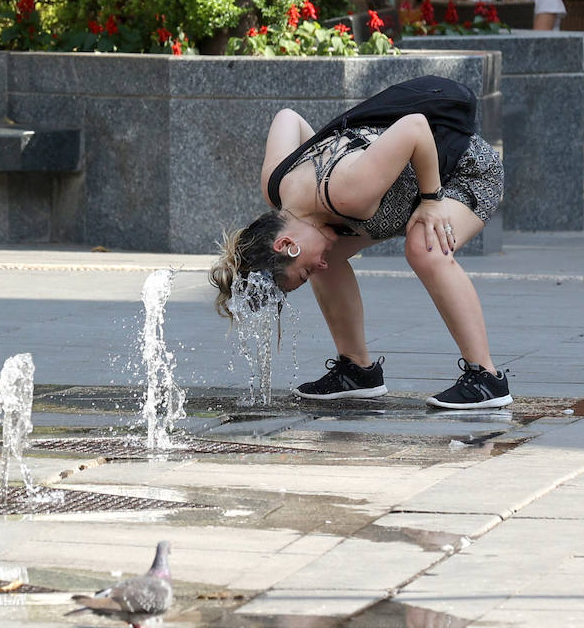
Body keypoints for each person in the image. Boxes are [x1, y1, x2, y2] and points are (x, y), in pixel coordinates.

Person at [208, 76, 510, 410]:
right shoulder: (276, 185)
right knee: (331, 256)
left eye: (304, 269)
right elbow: (288, 117)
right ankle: (357, 371)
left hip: (462, 173)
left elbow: (416, 127)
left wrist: (431, 199)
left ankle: (486, 378)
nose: (317, 266)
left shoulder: (348, 190)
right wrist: (324, 153)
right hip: (394, 195)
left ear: (286, 245)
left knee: (424, 245)